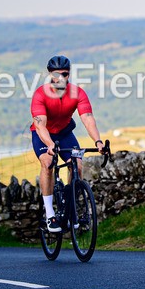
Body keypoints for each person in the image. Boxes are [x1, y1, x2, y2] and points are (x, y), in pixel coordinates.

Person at [31, 55, 104, 233]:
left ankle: (69, 206)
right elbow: (40, 125)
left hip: (64, 134)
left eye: (65, 73)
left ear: (69, 74)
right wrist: (49, 144)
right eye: (57, 74)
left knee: (77, 166)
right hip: (43, 135)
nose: (61, 77)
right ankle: (50, 214)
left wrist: (98, 141)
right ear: (50, 74)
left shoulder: (77, 93)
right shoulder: (40, 94)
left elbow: (87, 118)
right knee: (47, 163)